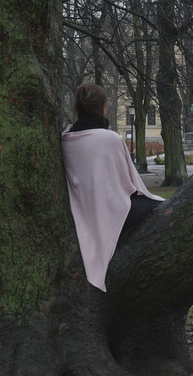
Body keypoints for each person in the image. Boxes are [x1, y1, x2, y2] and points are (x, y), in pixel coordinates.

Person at [61, 83, 164, 292]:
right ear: (103, 107)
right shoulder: (109, 138)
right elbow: (127, 182)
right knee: (157, 206)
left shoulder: (66, 138)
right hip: (110, 211)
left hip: (81, 210)